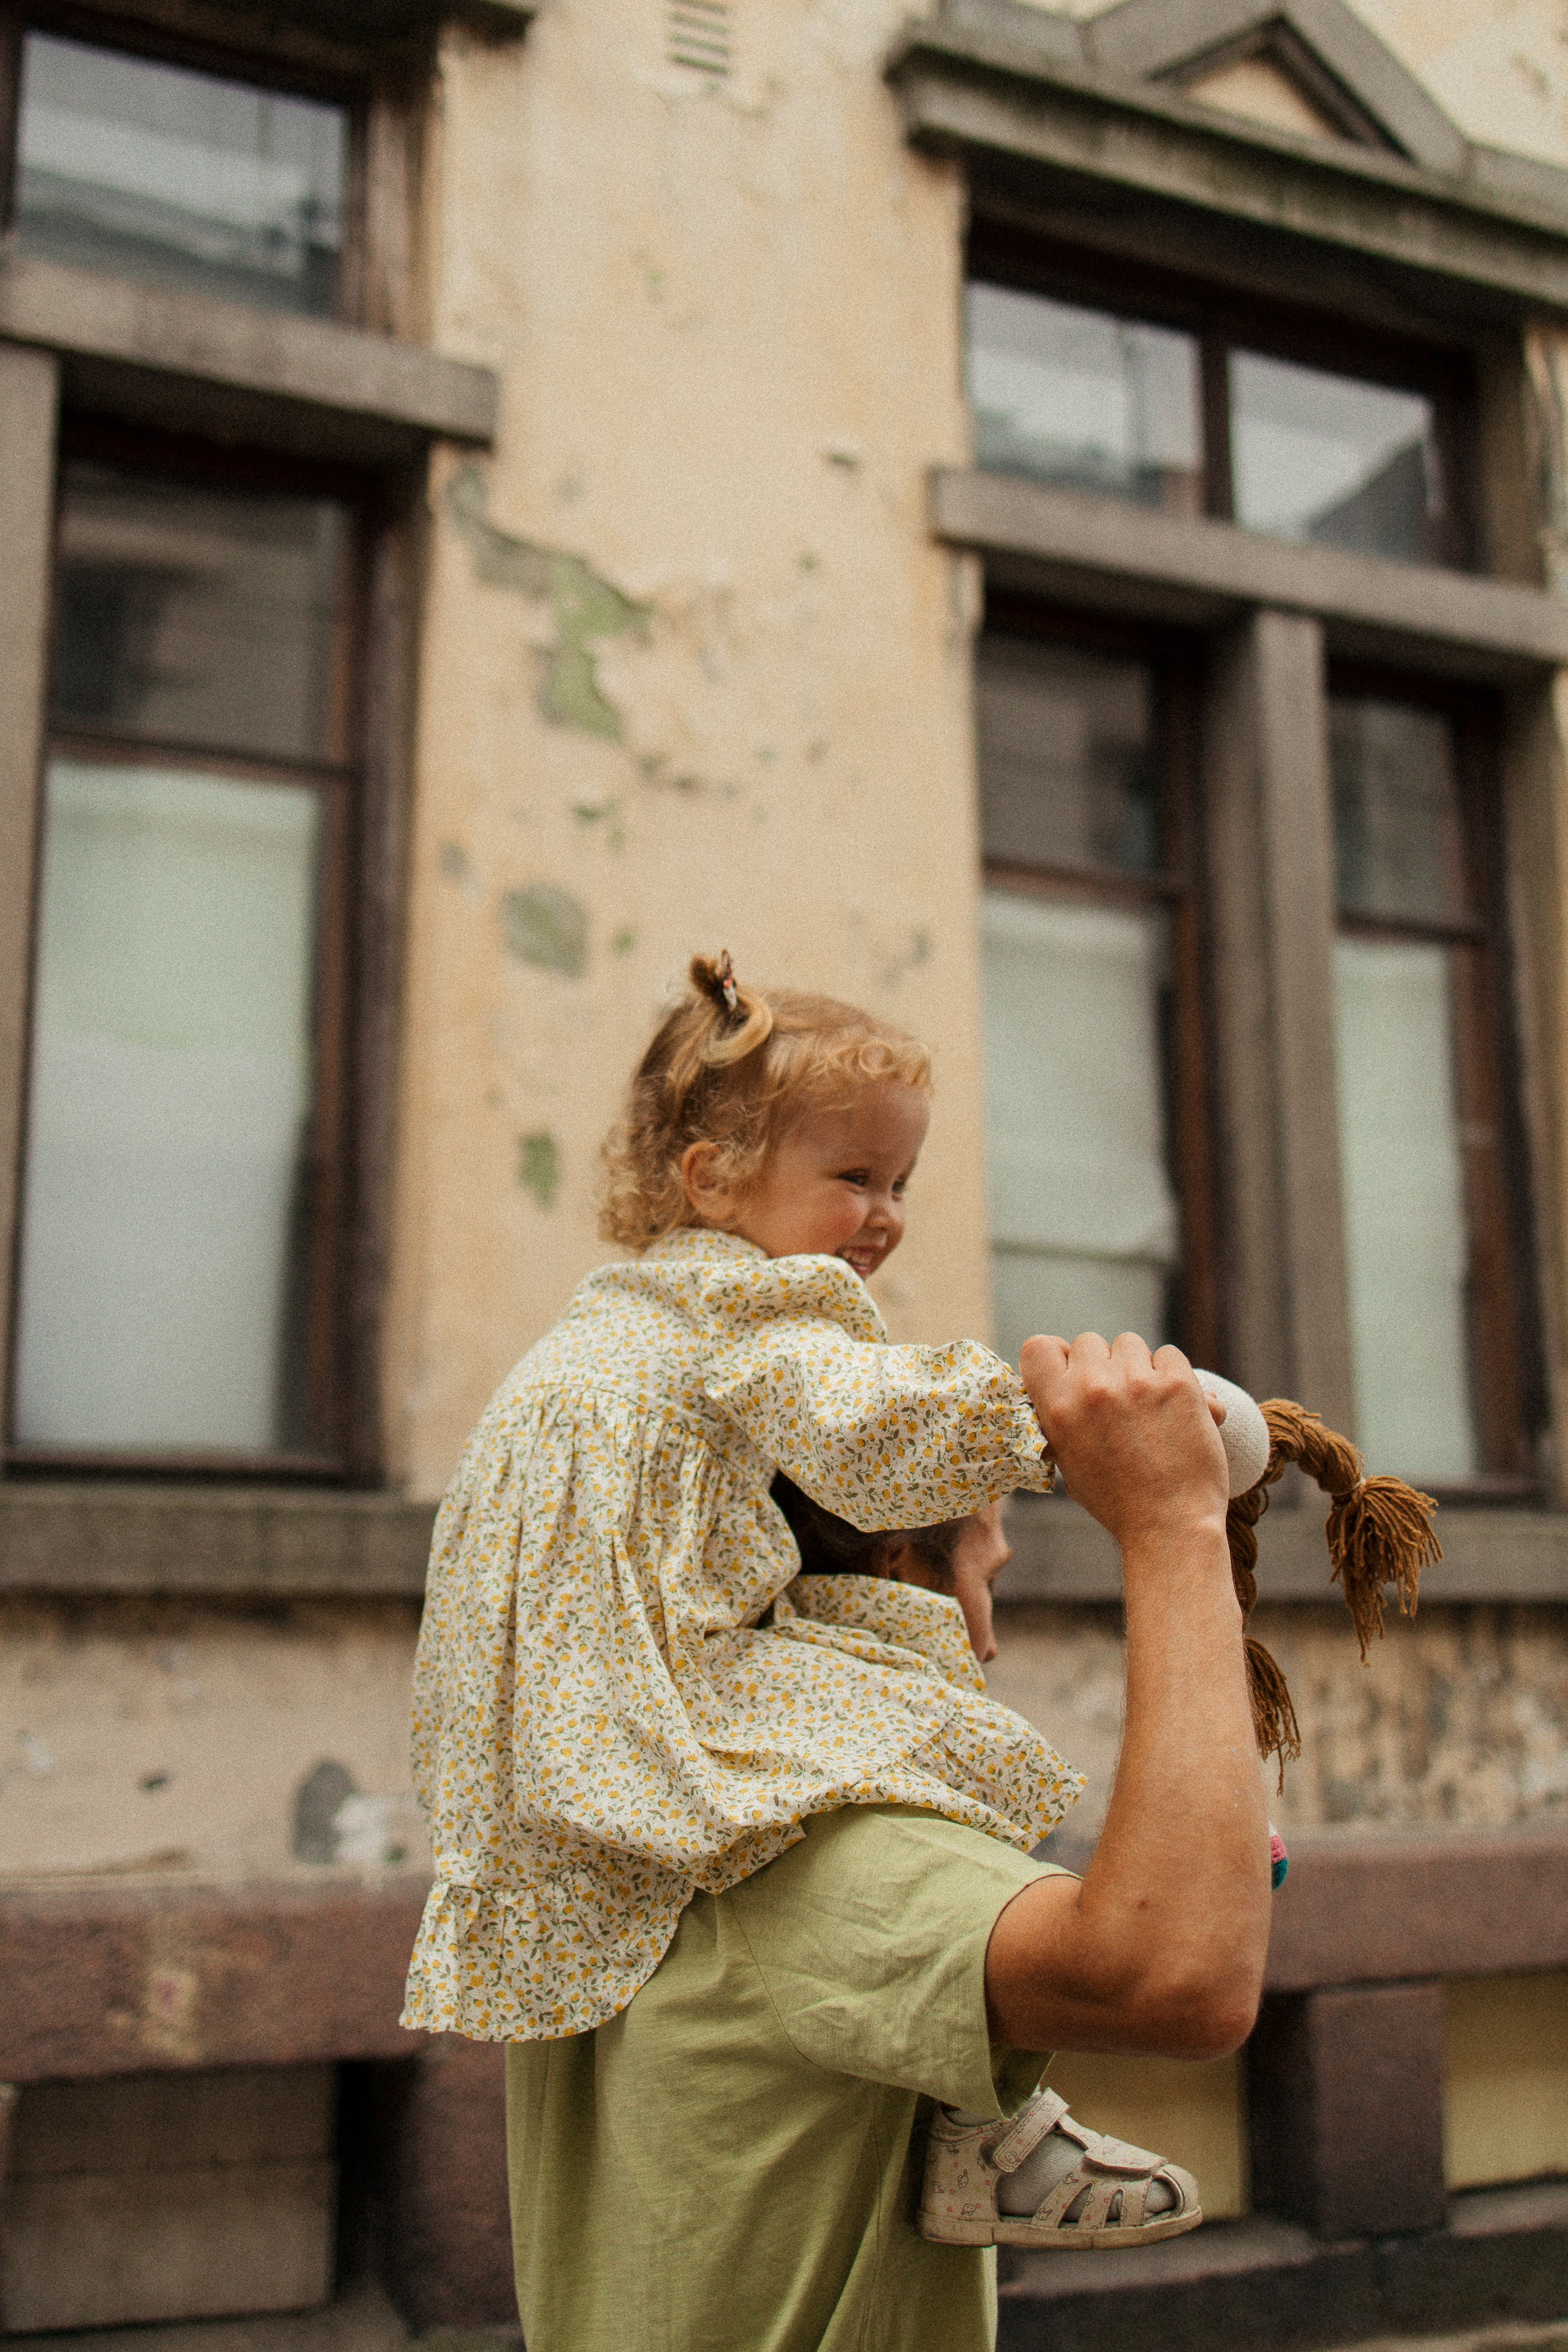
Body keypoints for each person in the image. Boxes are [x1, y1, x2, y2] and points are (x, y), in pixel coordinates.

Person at [403, 955, 1270, 2351]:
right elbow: (877, 1424)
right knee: (932, 1756)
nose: (884, 1219)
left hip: (585, 1714)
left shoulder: (614, 1329)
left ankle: (980, 2112)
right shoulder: (758, 1319)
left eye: (899, 1185)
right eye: (856, 1179)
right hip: (667, 1690)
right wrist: (1081, 1444)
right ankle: (993, 2115)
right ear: (707, 1176)